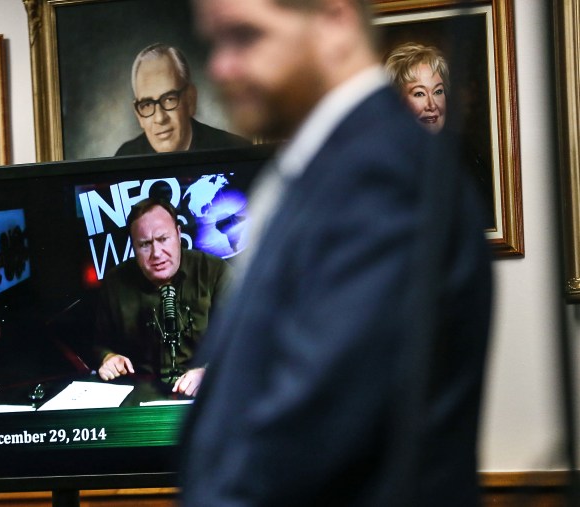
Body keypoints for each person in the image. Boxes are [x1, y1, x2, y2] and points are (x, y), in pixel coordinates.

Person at [181, 1, 492, 506]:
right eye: (214, 42)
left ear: (334, 21)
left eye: (245, 36)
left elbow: (308, 433)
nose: (220, 67)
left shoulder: (384, 173)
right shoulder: (326, 166)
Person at [93, 198, 231, 397]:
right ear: (133, 247)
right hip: (140, 396)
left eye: (163, 239)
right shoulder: (116, 282)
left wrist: (209, 371)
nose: (157, 253)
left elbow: (246, 341)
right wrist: (109, 358)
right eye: (145, 245)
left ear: (178, 233)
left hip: (207, 395)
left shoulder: (216, 272)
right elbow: (100, 344)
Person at [385, 42, 494, 226]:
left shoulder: (468, 158)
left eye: (438, 91)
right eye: (419, 94)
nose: (432, 104)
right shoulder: (384, 166)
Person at [115, 43, 249, 156]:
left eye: (169, 99)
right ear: (139, 115)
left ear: (190, 99)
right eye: (147, 104)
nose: (160, 118)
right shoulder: (125, 157)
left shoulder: (235, 151)